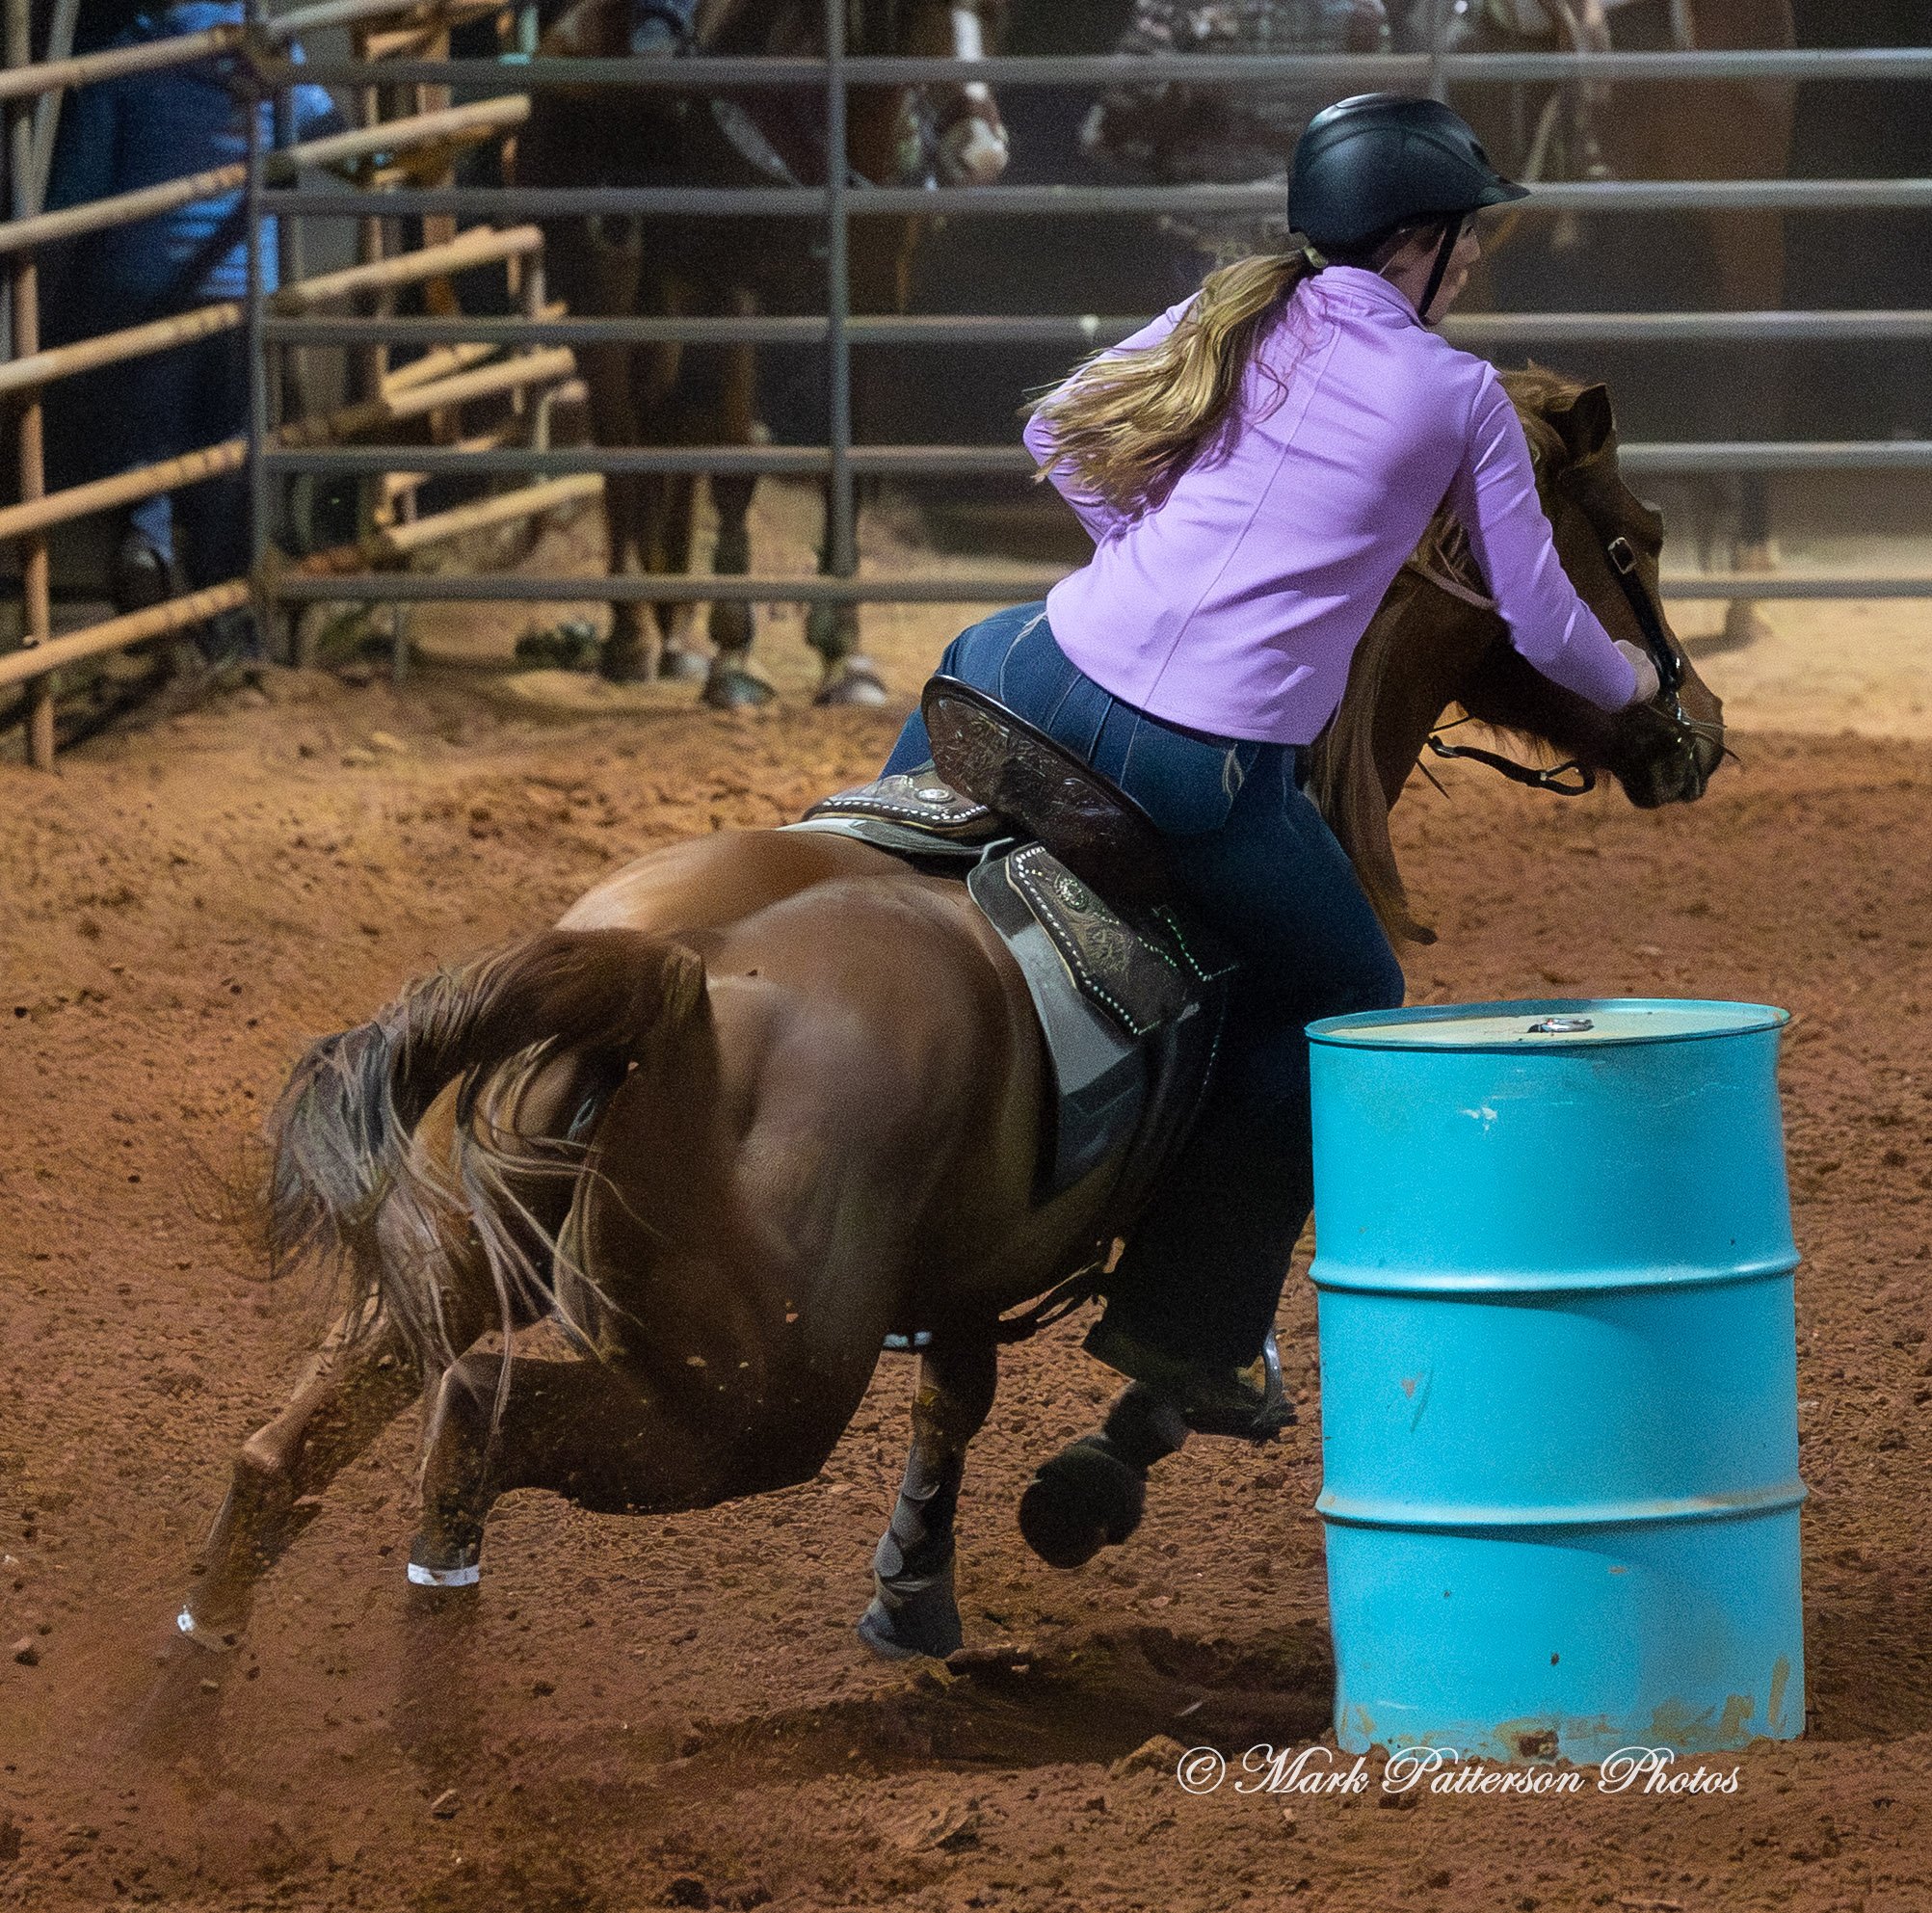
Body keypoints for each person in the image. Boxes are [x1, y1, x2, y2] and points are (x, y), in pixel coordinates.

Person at [879, 93, 1662, 1437]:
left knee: (896, 829)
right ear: (1412, 240)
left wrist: (1142, 551)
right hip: (1195, 756)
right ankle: (1186, 1324)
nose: (1475, 256)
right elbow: (1540, 623)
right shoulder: (1460, 396)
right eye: (1465, 233)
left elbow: (1053, 431)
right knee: (1350, 987)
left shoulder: (1235, 309)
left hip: (1032, 662)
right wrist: (1631, 680)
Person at [42, 1, 338, 662]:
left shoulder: (122, 58)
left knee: (145, 448)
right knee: (227, 458)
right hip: (238, 282)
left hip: (139, 286)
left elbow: (76, 196)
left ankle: (147, 579)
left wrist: (42, 289)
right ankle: (229, 634)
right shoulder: (269, 48)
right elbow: (334, 140)